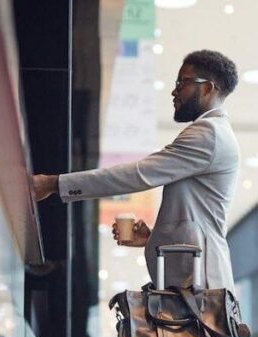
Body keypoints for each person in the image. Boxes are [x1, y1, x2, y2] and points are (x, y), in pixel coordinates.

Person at [32, 50, 240, 290]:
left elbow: (138, 174)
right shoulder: (214, 133)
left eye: (182, 82)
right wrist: (154, 239)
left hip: (199, 288)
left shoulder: (209, 134)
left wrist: (53, 184)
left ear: (207, 88)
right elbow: (198, 215)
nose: (174, 91)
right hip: (194, 286)